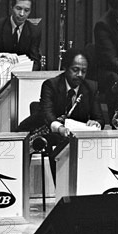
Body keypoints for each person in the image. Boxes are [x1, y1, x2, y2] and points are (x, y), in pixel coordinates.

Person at [18, 48, 104, 183]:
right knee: (58, 144)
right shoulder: (50, 85)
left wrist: (96, 123)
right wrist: (59, 128)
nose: (80, 74)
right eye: (75, 70)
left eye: (84, 71)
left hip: (71, 134)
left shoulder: (91, 87)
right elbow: (47, 114)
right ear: (66, 68)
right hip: (42, 129)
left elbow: (99, 118)